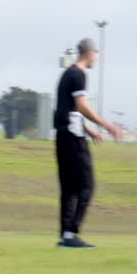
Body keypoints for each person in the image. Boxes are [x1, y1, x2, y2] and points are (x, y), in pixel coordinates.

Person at [52, 37, 122, 248]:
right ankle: (72, 233)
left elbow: (68, 110)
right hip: (73, 139)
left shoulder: (67, 74)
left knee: (69, 188)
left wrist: (89, 129)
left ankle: (66, 236)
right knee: (87, 185)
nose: (97, 59)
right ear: (90, 53)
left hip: (63, 136)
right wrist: (107, 126)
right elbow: (81, 106)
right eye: (97, 55)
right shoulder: (79, 75)